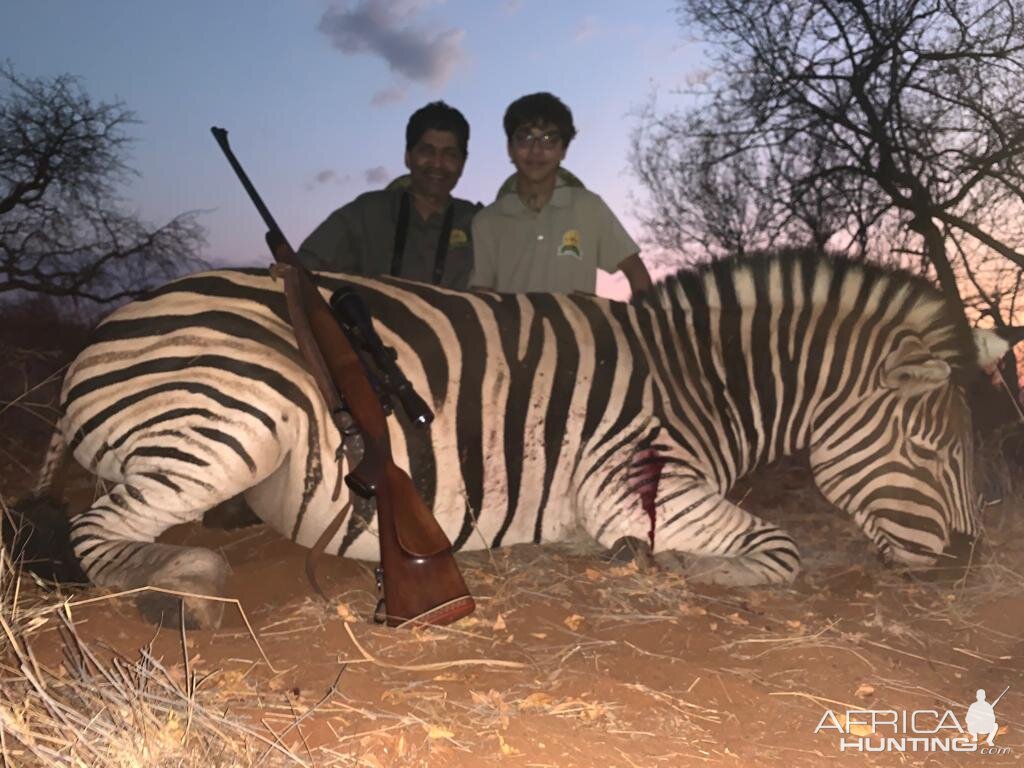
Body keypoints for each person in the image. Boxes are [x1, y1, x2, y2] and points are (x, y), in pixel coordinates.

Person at [471, 92, 652, 296]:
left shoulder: (589, 207)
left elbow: (636, 272)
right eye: (525, 138)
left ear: (563, 150)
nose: (536, 150)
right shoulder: (486, 221)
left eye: (549, 139)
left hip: (579, 329)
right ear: (510, 148)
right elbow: (481, 295)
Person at [297, 101, 479, 289]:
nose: (437, 164)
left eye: (449, 155)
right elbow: (304, 266)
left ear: (463, 164)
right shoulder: (367, 212)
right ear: (408, 157)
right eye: (427, 151)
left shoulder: (479, 223)